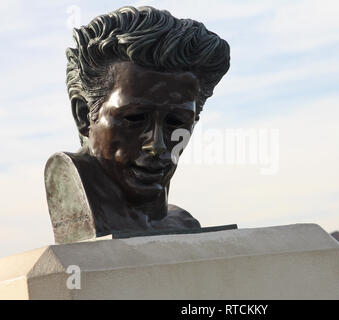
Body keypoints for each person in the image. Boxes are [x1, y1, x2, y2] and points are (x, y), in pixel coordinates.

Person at [45, 6, 230, 243]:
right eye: (134, 118)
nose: (157, 144)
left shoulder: (182, 223)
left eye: (176, 122)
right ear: (83, 115)